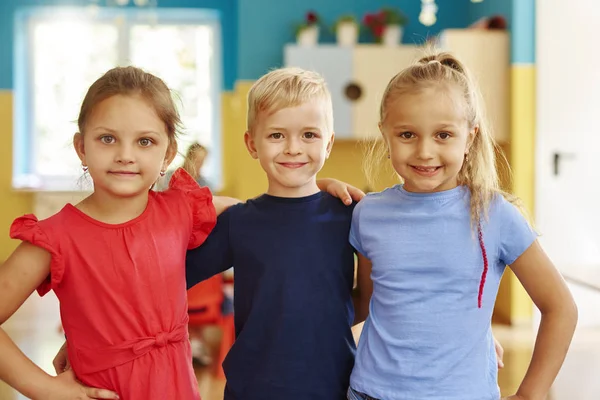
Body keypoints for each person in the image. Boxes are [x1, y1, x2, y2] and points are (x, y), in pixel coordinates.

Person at [346, 53, 578, 400]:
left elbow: (561, 307)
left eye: (443, 135)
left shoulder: (494, 215)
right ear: (385, 133)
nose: (425, 151)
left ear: (470, 137)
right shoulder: (367, 214)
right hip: (369, 392)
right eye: (407, 134)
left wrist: (530, 393)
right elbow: (368, 303)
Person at [0, 66, 237, 400]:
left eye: (145, 141)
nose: (125, 155)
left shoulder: (182, 209)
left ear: (168, 153)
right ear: (82, 148)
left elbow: (268, 211)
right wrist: (45, 388)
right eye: (108, 138)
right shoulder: (54, 238)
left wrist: (319, 191)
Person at [184, 67, 373, 400]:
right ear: (251, 143)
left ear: (328, 143)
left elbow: (372, 301)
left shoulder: (352, 215)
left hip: (334, 387)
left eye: (309, 135)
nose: (293, 148)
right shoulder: (238, 221)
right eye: (276, 135)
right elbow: (167, 278)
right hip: (253, 390)